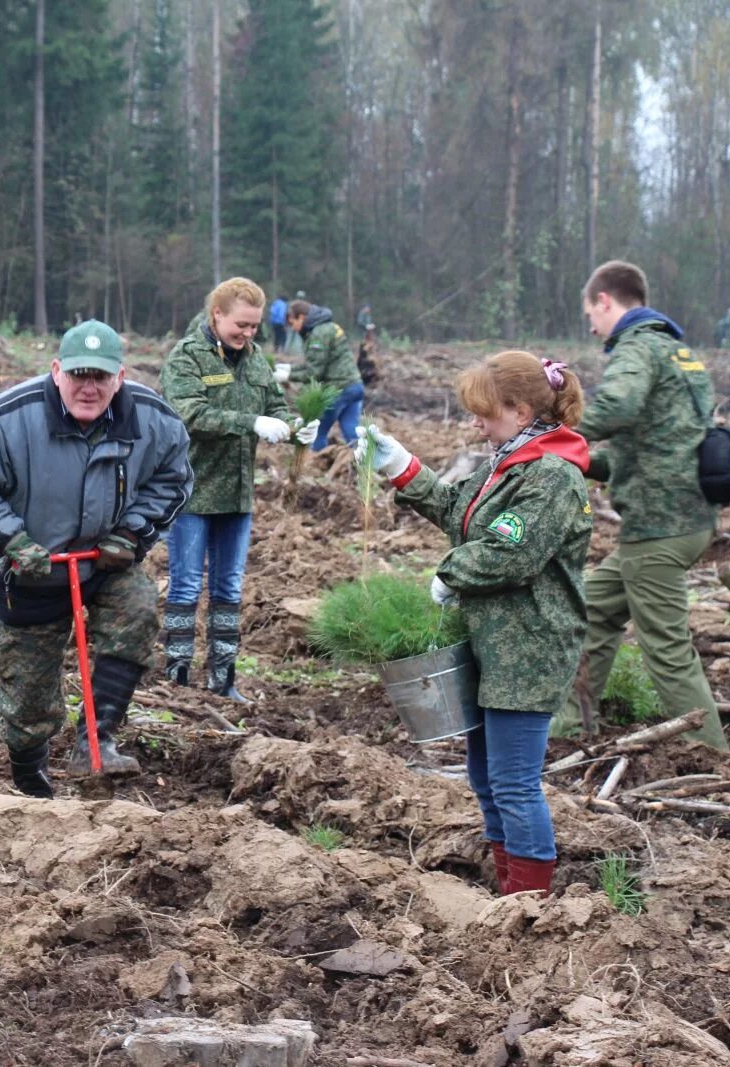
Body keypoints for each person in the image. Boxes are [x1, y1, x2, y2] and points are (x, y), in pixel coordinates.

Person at [358, 351, 592, 895]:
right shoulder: (510, 462)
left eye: (483, 413)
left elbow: (513, 553)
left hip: (528, 649)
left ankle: (529, 901)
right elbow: (459, 511)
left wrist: (451, 572)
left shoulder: (552, 476)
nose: (475, 424)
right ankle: (509, 884)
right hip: (491, 647)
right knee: (487, 778)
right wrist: (402, 468)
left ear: (520, 408)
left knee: (514, 782)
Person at [0, 320, 191, 796]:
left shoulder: (153, 420)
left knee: (136, 609)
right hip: (30, 569)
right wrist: (11, 542)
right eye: (79, 375)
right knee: (29, 699)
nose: (90, 388)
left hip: (104, 561)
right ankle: (31, 780)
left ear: (120, 377)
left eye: (101, 377)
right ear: (57, 371)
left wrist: (132, 534)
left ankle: (98, 738)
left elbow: (173, 480)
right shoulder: (9, 418)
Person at [574, 260, 729, 750]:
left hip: (660, 528)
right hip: (684, 518)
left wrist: (547, 437)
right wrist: (578, 459)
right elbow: (656, 445)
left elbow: (617, 409)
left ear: (604, 300)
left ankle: (711, 754)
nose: (593, 329)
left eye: (590, 316)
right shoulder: (678, 351)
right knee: (591, 611)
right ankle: (570, 727)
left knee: (666, 651)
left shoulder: (636, 346)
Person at [160, 278, 317, 700]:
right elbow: (189, 414)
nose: (247, 334)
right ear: (217, 315)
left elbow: (274, 405)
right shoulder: (187, 357)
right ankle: (177, 681)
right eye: (240, 325)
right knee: (187, 586)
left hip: (237, 495)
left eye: (254, 327)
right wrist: (249, 424)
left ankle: (222, 679)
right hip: (192, 492)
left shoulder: (255, 358)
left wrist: (294, 426)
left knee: (229, 588)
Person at [277, 299, 363, 451]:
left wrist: (287, 377)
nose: (293, 329)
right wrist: (290, 369)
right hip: (354, 385)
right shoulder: (327, 326)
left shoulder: (318, 334)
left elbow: (314, 373)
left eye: (292, 323)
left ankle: (315, 464)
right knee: (351, 432)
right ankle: (365, 467)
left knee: (317, 431)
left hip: (338, 388)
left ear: (301, 317)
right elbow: (316, 363)